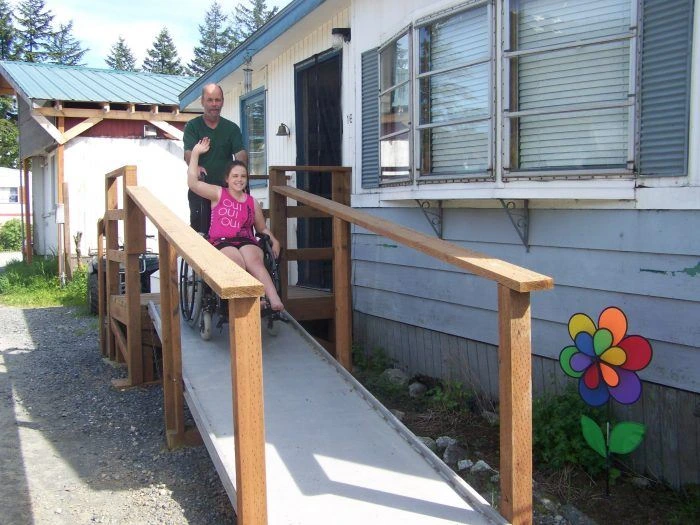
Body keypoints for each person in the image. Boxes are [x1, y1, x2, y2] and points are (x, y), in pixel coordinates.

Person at [187, 137, 284, 312]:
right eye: (235, 176)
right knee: (235, 261)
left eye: (243, 176)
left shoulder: (251, 202)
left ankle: (272, 298)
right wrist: (195, 154)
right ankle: (251, 300)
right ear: (227, 179)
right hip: (222, 240)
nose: (239, 180)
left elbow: (261, 228)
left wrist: (274, 240)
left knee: (254, 260)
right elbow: (193, 184)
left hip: (245, 239)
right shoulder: (218, 193)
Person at [184, 83, 248, 233]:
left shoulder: (231, 128)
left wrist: (241, 172)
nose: (214, 104)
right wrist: (196, 166)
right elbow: (188, 153)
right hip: (200, 190)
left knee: (229, 233)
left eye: (217, 100)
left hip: (227, 191)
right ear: (202, 102)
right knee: (201, 234)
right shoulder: (192, 126)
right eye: (210, 100)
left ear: (223, 101)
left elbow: (240, 154)